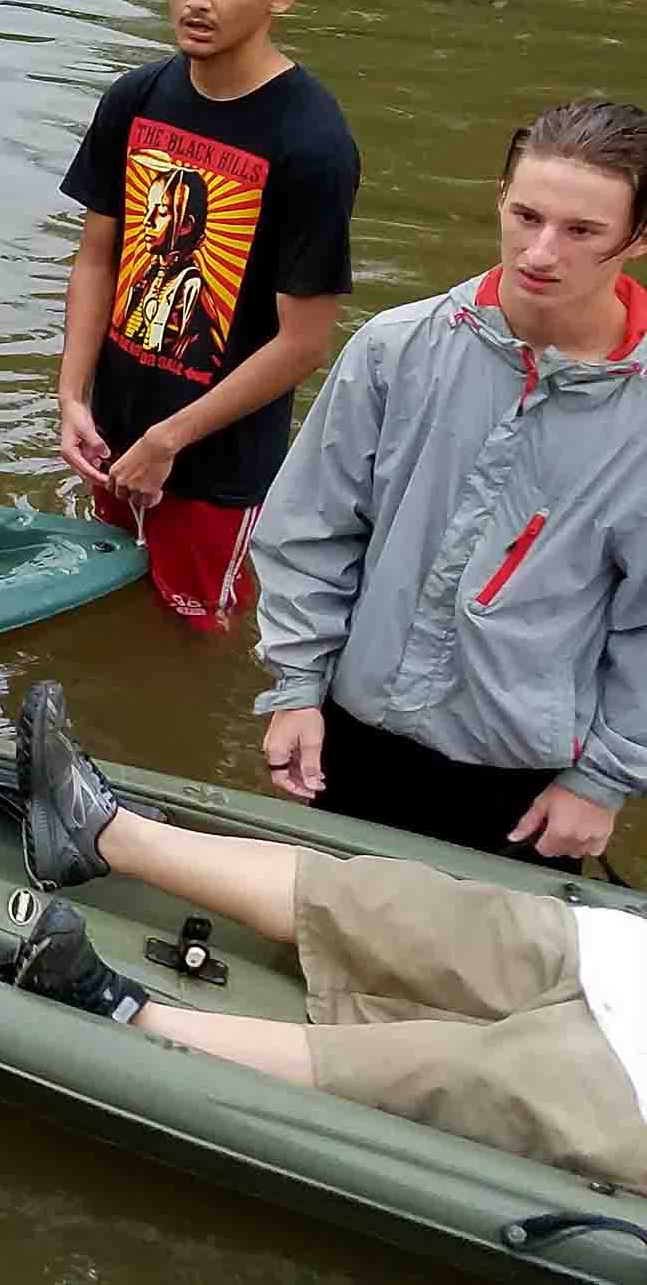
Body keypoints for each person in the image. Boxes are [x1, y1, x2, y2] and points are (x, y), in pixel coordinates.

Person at [6, 680, 647, 1190]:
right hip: (628, 965)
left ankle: (126, 1016)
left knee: (475, 1074)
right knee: (406, 909)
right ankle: (105, 835)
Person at [251, 100, 647, 864]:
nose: (539, 252)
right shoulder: (394, 349)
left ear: (636, 236)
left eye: (581, 231)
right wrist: (295, 688)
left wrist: (604, 778)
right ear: (499, 196)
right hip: (352, 733)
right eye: (526, 215)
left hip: (528, 780)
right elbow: (311, 531)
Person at [54, 0, 360, 631]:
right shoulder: (136, 97)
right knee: (110, 597)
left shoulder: (312, 144)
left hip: (216, 456)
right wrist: (71, 396)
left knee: (201, 624)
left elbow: (303, 343)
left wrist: (170, 440)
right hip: (114, 425)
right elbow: (98, 258)